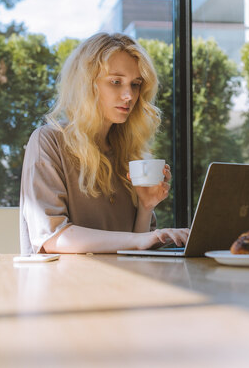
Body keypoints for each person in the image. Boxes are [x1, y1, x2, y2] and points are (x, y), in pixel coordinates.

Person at [19, 33, 189, 254]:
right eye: (116, 82)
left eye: (135, 84)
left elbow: (134, 248)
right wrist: (142, 240)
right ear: (86, 84)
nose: (129, 95)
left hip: (117, 283)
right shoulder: (48, 141)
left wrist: (146, 207)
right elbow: (52, 238)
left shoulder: (128, 152)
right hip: (61, 284)